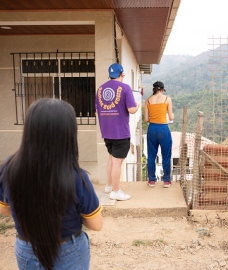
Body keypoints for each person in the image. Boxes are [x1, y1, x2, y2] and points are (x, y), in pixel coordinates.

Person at [0, 98, 103, 270]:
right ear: (68, 134)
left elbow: (4, 209)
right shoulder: (77, 177)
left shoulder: (8, 168)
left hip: (26, 248)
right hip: (68, 250)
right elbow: (96, 224)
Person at [96, 63, 140, 201]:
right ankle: (116, 191)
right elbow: (132, 110)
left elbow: (97, 109)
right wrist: (138, 104)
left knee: (111, 158)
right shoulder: (125, 88)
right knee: (117, 162)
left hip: (106, 131)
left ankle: (109, 185)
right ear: (122, 74)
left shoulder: (100, 89)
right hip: (120, 132)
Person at [144, 81, 174, 188]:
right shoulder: (167, 99)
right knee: (166, 155)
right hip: (163, 128)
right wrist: (172, 115)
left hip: (152, 128)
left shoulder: (148, 101)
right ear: (162, 89)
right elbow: (171, 117)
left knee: (151, 155)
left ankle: (151, 180)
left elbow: (146, 119)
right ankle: (166, 181)